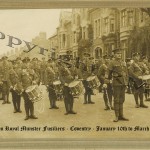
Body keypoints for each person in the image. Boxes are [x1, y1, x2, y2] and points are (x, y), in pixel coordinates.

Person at [108, 48, 129, 122]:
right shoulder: (112, 63)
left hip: (123, 83)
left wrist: (126, 82)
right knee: (116, 99)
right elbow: (108, 73)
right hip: (116, 82)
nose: (119, 55)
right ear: (114, 55)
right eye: (117, 54)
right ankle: (116, 116)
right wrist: (106, 81)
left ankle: (121, 115)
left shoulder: (123, 63)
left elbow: (126, 73)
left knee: (122, 99)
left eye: (120, 54)